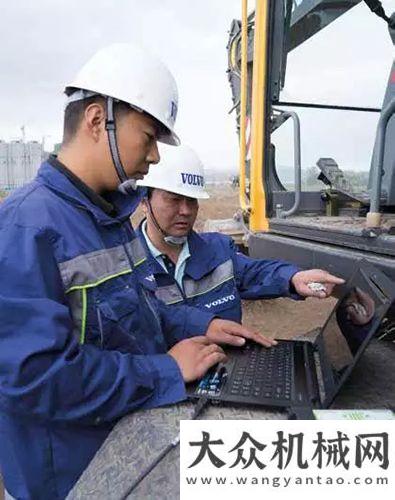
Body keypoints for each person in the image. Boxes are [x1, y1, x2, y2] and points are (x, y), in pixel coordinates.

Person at [0, 44, 274, 500]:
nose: (154, 157)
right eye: (148, 137)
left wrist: (202, 325)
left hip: (125, 444)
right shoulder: (26, 228)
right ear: (95, 120)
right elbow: (38, 379)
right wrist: (165, 371)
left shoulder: (108, 220)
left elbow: (136, 315)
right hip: (71, 478)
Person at [136, 144, 345, 320]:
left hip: (230, 365)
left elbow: (255, 272)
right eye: (173, 199)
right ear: (145, 202)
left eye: (192, 200)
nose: (186, 211)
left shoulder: (217, 250)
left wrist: (293, 277)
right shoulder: (125, 268)